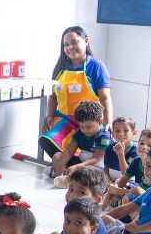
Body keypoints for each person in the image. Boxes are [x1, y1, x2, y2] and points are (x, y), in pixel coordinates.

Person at [39, 26, 113, 160]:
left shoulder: (96, 66)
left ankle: (71, 169)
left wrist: (108, 121)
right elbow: (52, 97)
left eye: (74, 42)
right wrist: (49, 116)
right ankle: (65, 167)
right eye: (66, 44)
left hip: (89, 122)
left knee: (86, 152)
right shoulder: (60, 67)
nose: (70, 47)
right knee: (46, 139)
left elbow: (105, 97)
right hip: (65, 120)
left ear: (86, 41)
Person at [27, 166, 111, 234]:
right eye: (71, 189)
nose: (73, 196)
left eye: (81, 192)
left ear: (96, 199)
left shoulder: (87, 220)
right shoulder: (86, 214)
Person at [47, 100, 111, 188]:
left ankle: (69, 178)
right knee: (57, 156)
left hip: (96, 167)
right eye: (82, 127)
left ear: (100, 122)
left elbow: (96, 159)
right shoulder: (80, 132)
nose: (85, 130)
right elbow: (70, 151)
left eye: (88, 127)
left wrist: (77, 167)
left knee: (90, 177)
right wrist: (61, 165)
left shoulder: (105, 136)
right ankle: (64, 176)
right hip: (81, 163)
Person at [106, 127, 151, 211]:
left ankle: (131, 216)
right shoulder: (137, 161)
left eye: (150, 146)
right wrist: (109, 194)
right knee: (117, 181)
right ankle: (120, 205)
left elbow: (144, 193)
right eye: (141, 143)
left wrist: (117, 191)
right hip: (138, 195)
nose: (144, 147)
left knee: (128, 197)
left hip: (150, 199)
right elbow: (123, 180)